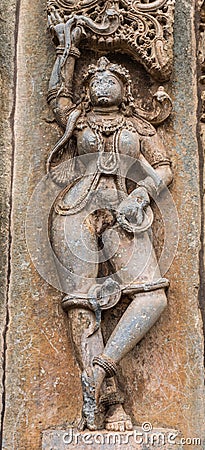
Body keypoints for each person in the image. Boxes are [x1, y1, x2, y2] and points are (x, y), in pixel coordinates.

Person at [47, 15, 173, 431]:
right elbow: (56, 93)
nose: (101, 80)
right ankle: (111, 404)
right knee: (84, 307)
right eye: (94, 78)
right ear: (86, 91)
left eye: (111, 76)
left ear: (127, 88)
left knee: (151, 297)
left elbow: (164, 167)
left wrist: (141, 194)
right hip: (76, 211)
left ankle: (99, 369)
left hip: (124, 212)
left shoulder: (137, 125)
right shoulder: (77, 119)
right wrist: (67, 49)